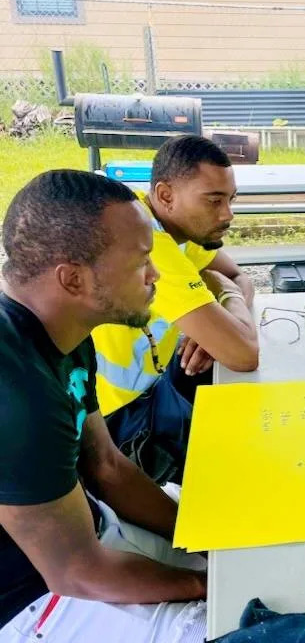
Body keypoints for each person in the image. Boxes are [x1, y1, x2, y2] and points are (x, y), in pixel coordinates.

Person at [0, 170, 207, 642]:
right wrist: (205, 585)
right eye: (141, 262)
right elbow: (77, 572)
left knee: (237, 524)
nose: (155, 276)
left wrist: (200, 536)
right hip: (31, 601)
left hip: (87, 532)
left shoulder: (64, 332)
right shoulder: (18, 397)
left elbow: (107, 467)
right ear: (73, 278)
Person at [93, 135, 259, 481]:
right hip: (125, 425)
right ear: (166, 196)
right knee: (251, 458)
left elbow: (239, 275)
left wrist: (218, 320)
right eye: (213, 201)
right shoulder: (148, 243)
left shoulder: (173, 227)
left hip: (159, 384)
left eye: (230, 199)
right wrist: (224, 302)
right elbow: (243, 354)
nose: (228, 214)